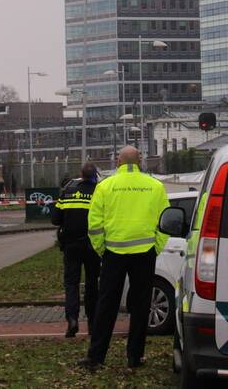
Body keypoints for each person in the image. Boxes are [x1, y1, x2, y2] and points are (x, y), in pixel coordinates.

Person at [80, 146, 170, 370]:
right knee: (141, 306)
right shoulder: (156, 187)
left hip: (114, 253)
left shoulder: (105, 186)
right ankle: (135, 356)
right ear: (140, 161)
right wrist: (155, 247)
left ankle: (96, 357)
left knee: (106, 305)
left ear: (118, 161)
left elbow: (94, 224)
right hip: (144, 253)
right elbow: (166, 222)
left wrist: (103, 250)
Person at [51, 163, 101, 338]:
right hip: (92, 245)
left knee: (71, 284)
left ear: (81, 174)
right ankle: (93, 323)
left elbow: (55, 219)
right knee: (92, 283)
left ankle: (72, 319)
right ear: (95, 175)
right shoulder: (99, 191)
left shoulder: (68, 191)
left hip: (71, 245)